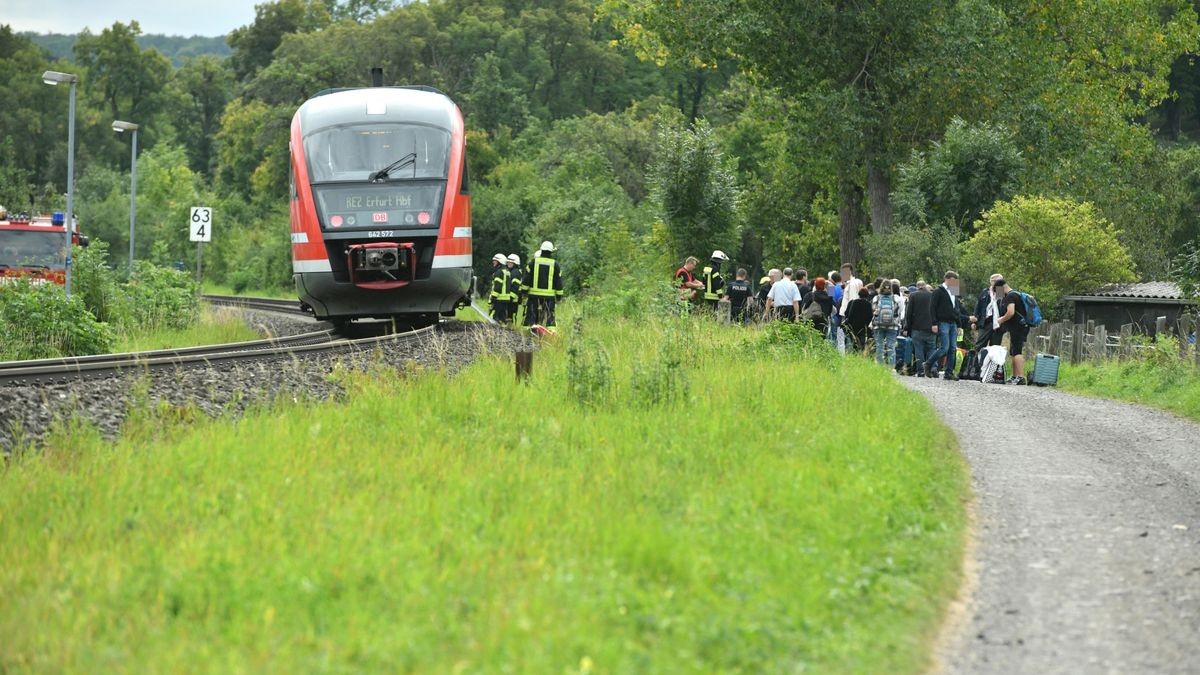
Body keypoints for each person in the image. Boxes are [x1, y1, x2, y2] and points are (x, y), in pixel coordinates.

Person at [926, 271, 970, 381]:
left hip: (953, 323)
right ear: (948, 279)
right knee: (944, 347)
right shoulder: (938, 291)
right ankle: (928, 363)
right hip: (942, 322)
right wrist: (934, 323)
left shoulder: (954, 292)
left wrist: (959, 324)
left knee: (952, 348)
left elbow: (957, 309)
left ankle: (949, 372)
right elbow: (932, 308)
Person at [993, 278, 1029, 385]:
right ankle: (1015, 376)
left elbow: (1010, 312)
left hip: (1018, 327)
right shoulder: (1016, 294)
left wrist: (1000, 320)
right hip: (1019, 326)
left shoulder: (1010, 296)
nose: (998, 295)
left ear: (1001, 288)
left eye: (998, 291)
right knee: (1013, 351)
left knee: (1017, 351)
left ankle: (1020, 377)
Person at [522, 241, 564, 327]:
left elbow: (527, 279)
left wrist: (524, 292)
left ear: (541, 250)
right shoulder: (555, 264)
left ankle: (527, 332)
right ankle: (551, 332)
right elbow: (558, 282)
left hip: (534, 296)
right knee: (550, 317)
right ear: (551, 252)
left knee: (531, 315)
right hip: (549, 297)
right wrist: (559, 296)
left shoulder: (533, 262)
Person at [905, 281, 937, 376]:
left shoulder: (913, 296)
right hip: (931, 327)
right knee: (931, 348)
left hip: (917, 327)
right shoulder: (933, 296)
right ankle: (933, 368)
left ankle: (921, 370)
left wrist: (907, 327)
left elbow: (909, 313)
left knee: (919, 349)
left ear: (918, 287)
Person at [872, 282, 901, 366]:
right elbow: (900, 311)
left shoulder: (876, 298)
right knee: (891, 346)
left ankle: (880, 366)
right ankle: (891, 367)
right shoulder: (896, 298)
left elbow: (873, 310)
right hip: (893, 325)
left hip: (878, 325)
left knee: (879, 346)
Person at [843, 288, 874, 353]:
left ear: (859, 294)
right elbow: (870, 316)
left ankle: (849, 353)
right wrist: (866, 324)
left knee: (850, 340)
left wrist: (850, 322)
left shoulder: (853, 302)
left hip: (852, 325)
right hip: (862, 326)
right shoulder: (868, 304)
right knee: (861, 341)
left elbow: (849, 313)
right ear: (867, 295)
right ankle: (860, 353)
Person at [488, 253, 514, 323]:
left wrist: (493, 297)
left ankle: (493, 331)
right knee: (502, 318)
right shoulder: (507, 271)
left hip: (499, 298)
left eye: (495, 261)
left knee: (494, 317)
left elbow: (498, 287)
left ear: (500, 262)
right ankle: (503, 331)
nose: (493, 262)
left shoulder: (499, 272)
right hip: (505, 298)